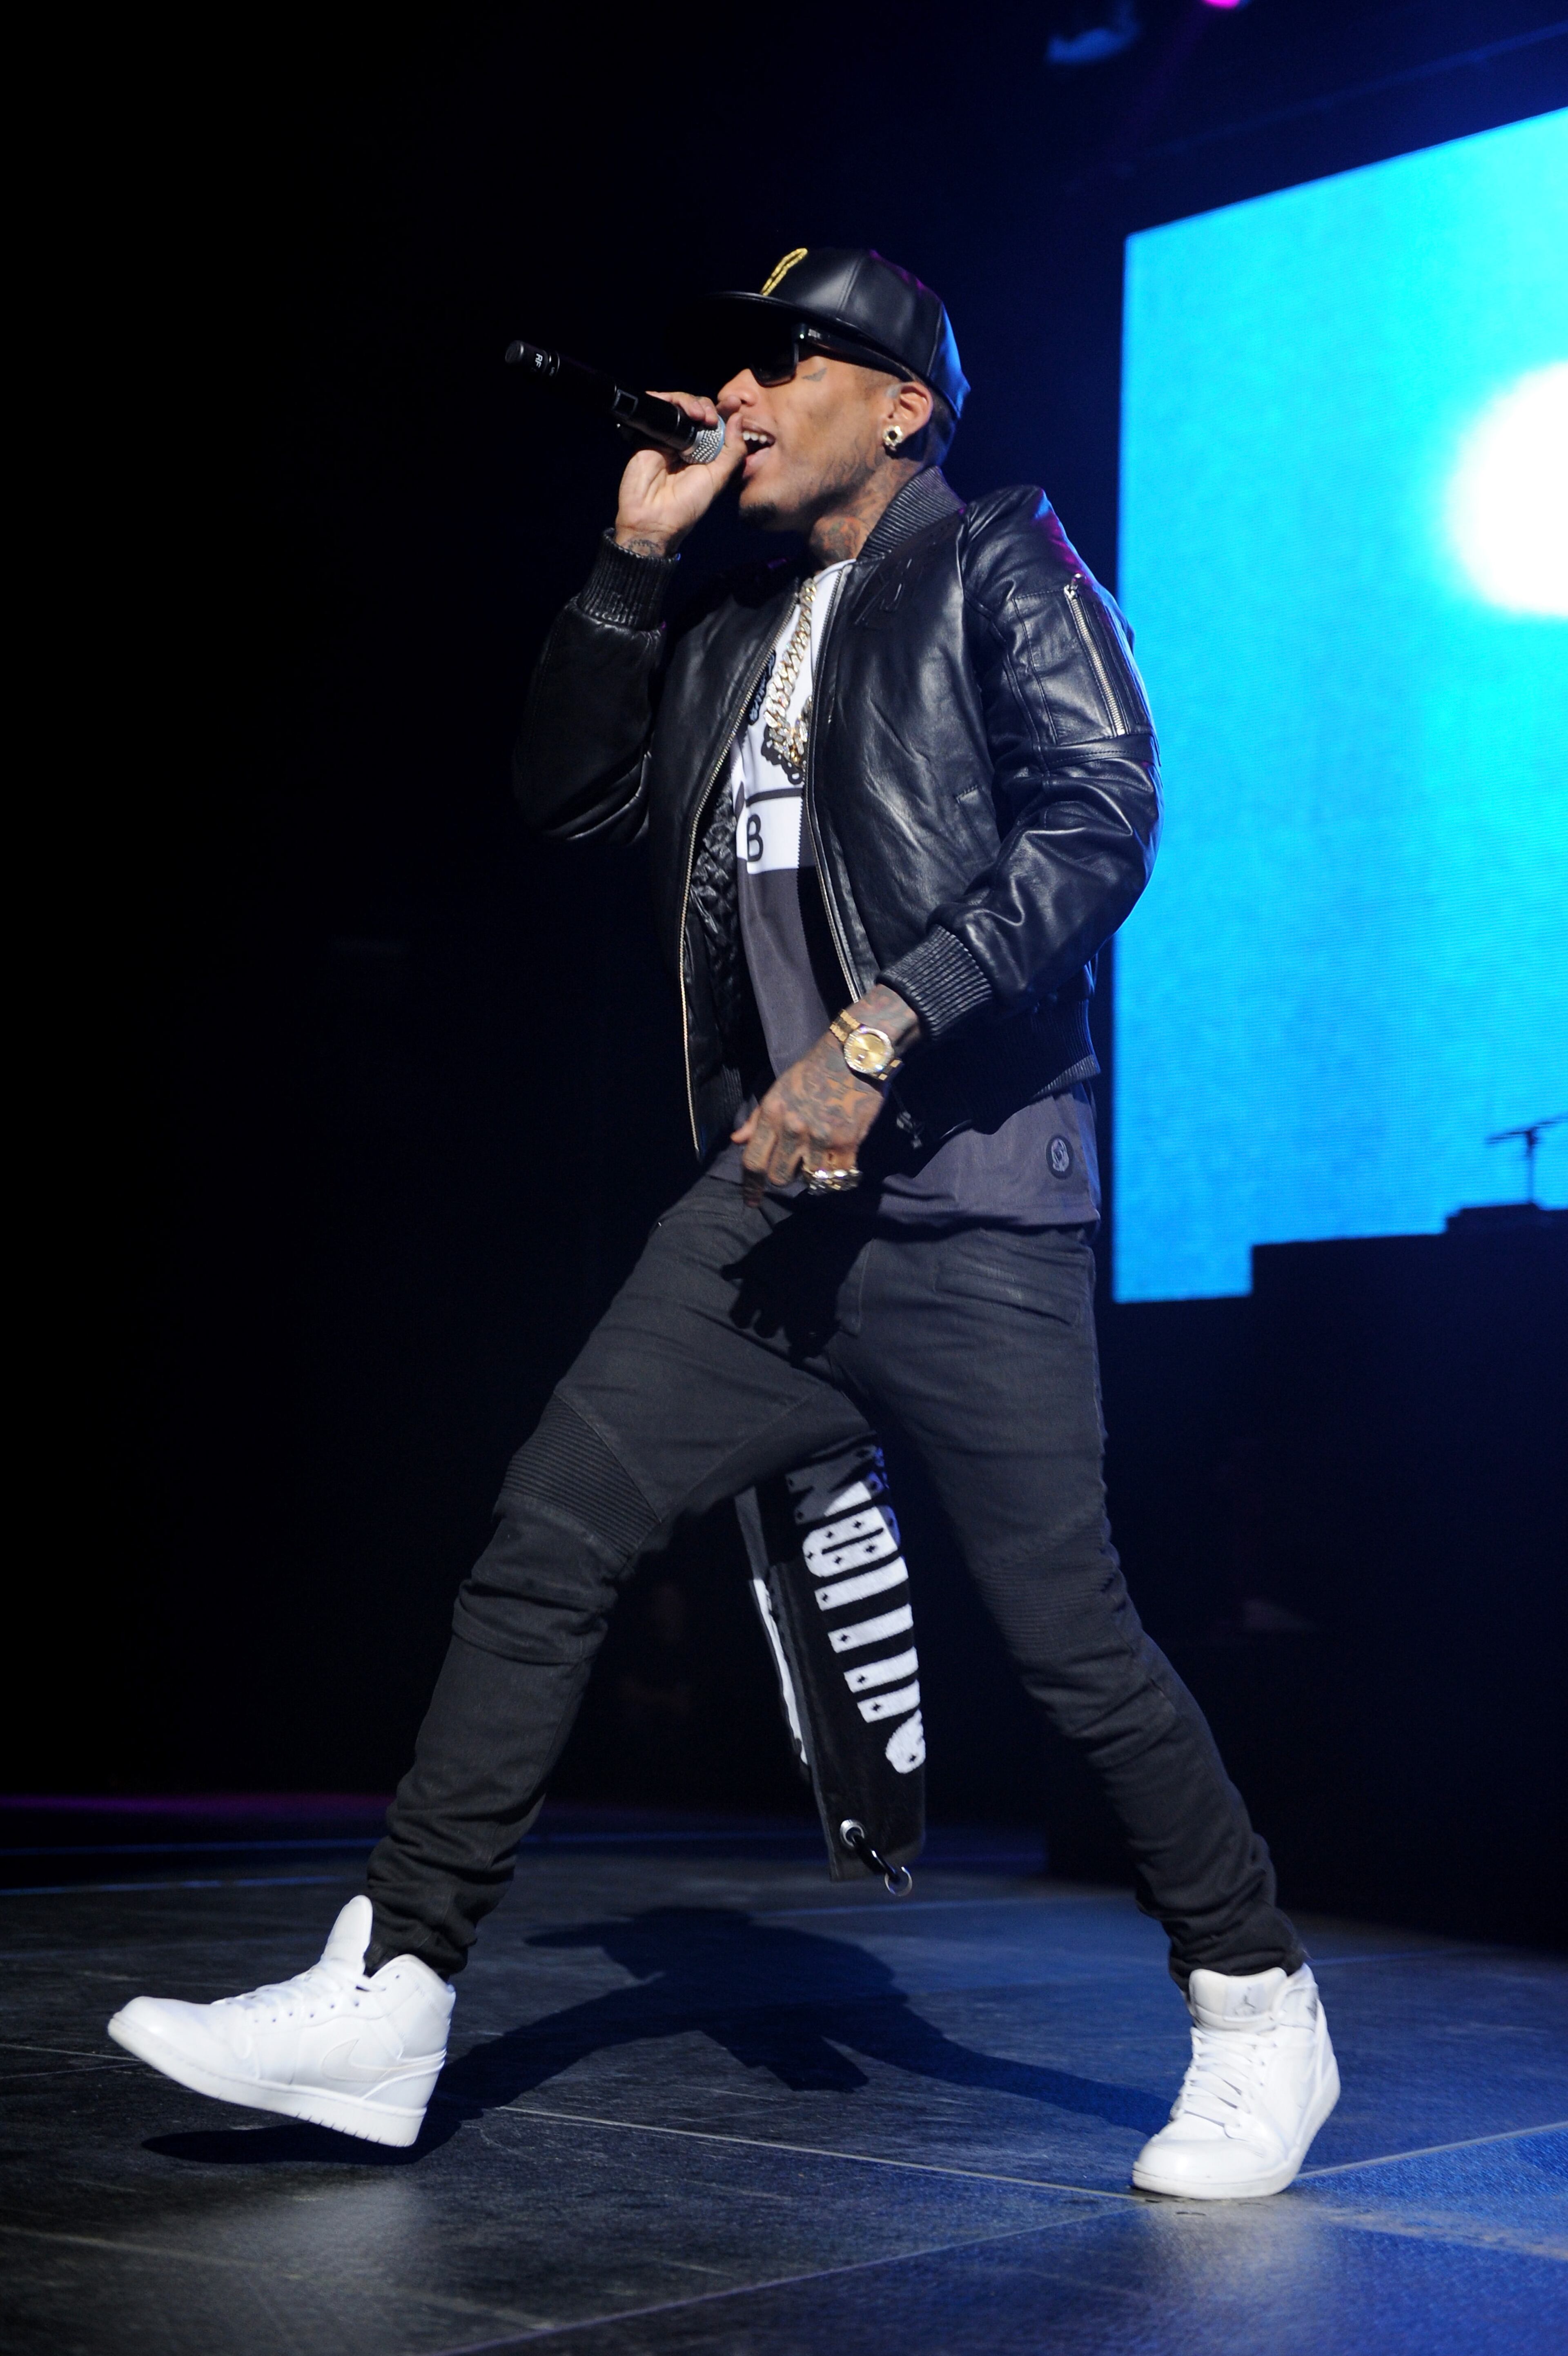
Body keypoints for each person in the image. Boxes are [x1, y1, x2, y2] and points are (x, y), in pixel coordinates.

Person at [109, 248, 1339, 2197]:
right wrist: (626, 570)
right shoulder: (728, 625)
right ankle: (391, 1995)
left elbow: (1098, 822)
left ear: (905, 405)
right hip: (764, 1216)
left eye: (793, 361)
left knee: (1070, 1642)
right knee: (546, 1538)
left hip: (960, 1204)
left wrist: (878, 1029)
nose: (743, 394)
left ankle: (1261, 2007)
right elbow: (563, 799)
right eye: (735, 368)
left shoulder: (1000, 555)